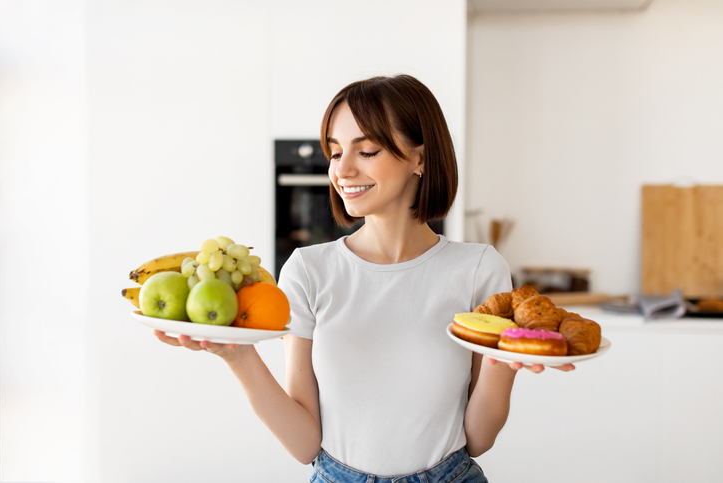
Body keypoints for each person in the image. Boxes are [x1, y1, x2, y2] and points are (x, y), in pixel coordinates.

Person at [154, 74, 574, 482]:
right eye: (335, 153)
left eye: (367, 150)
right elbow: (304, 445)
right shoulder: (308, 269)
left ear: (420, 158)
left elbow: (479, 439)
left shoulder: (479, 268)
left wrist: (506, 362)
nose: (342, 171)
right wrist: (238, 356)